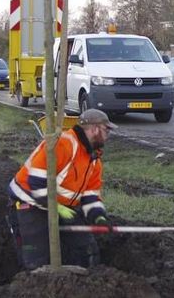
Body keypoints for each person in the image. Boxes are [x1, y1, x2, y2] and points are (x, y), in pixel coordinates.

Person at [6, 108, 116, 270]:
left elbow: (90, 196)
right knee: (36, 259)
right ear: (94, 129)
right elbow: (36, 182)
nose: (108, 135)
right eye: (106, 130)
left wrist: (98, 216)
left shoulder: (94, 161)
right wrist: (57, 208)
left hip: (61, 207)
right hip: (29, 203)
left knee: (86, 252)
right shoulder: (63, 144)